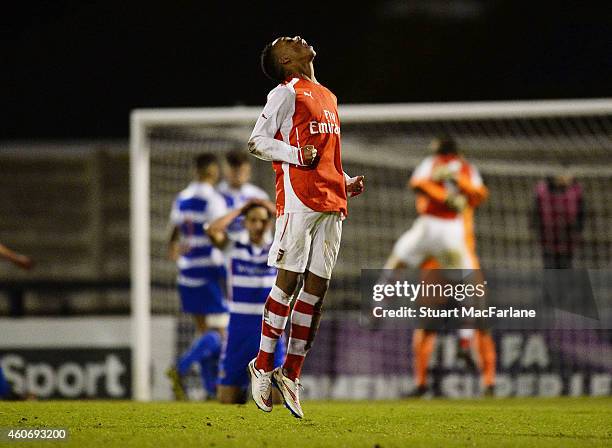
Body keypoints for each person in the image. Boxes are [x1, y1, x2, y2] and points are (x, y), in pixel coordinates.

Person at [246, 36, 365, 418]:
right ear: (285, 59)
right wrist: (296, 155)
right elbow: (256, 142)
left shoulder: (328, 95)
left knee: (317, 291)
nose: (298, 39)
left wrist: (343, 180)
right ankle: (262, 365)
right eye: (289, 41)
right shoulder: (284, 93)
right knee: (289, 281)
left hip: (332, 200)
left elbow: (327, 155)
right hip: (298, 198)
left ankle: (290, 374)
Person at [384, 136, 496, 396]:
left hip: (454, 257)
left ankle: (486, 381)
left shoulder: (458, 182)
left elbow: (476, 193)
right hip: (446, 259)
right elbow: (424, 187)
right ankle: (425, 382)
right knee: (443, 320)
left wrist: (454, 183)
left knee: (467, 320)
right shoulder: (447, 184)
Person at [207, 199, 285, 404]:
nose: (258, 226)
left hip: (270, 327)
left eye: (262, 221)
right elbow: (212, 229)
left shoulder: (277, 249)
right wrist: (241, 210)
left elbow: (289, 222)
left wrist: (267, 206)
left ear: (269, 223)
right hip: (239, 330)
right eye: (252, 220)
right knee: (226, 399)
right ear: (245, 223)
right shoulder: (233, 247)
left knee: (278, 400)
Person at [166, 153, 229, 400]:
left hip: (187, 273)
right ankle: (180, 368)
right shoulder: (213, 199)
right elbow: (218, 234)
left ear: (195, 171)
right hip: (208, 271)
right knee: (221, 334)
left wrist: (174, 249)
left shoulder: (182, 198)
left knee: (204, 332)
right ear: (212, 171)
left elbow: (173, 231)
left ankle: (210, 389)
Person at [532, 169, 584, 268]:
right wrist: (537, 228)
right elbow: (536, 211)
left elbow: (581, 213)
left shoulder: (575, 190)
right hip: (548, 237)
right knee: (549, 266)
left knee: (566, 266)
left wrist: (577, 229)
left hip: (568, 237)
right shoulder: (543, 190)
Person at [217, 150, 270, 240]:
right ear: (226, 170)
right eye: (235, 171)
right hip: (225, 251)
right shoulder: (216, 194)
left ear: (248, 171)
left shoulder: (259, 196)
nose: (239, 175)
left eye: (242, 171)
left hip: (252, 252)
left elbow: (265, 230)